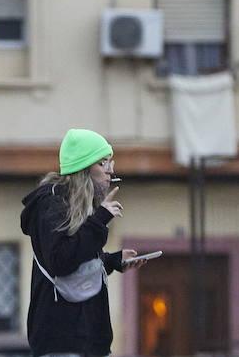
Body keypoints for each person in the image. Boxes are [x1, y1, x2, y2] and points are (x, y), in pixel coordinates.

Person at [20, 128, 151, 357]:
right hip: (62, 344)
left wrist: (113, 260)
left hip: (91, 345)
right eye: (103, 163)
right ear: (83, 169)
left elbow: (78, 260)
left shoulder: (79, 206)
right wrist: (99, 220)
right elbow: (60, 260)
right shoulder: (51, 205)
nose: (110, 171)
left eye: (111, 163)